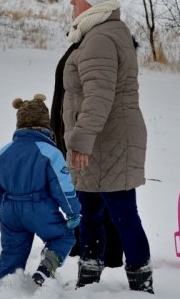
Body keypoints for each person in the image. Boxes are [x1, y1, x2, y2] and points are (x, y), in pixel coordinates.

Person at [61, 0, 153, 293]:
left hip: (108, 140)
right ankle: (89, 278)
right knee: (90, 213)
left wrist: (81, 140)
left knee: (123, 214)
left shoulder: (100, 38)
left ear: (94, 1)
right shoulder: (102, 32)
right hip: (101, 139)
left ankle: (141, 283)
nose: (72, 1)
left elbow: (98, 96)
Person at [0, 94, 81, 286]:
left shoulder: (4, 151)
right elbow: (62, 186)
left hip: (10, 210)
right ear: (46, 124)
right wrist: (73, 212)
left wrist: (2, 208)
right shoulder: (49, 151)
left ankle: (4, 286)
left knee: (12, 251)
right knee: (63, 236)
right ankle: (44, 271)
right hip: (39, 208)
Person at [51, 41, 125, 270]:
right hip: (73, 135)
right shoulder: (79, 49)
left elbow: (97, 100)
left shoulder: (99, 50)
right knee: (82, 193)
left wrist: (82, 136)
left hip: (91, 138)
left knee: (104, 195)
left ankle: (109, 254)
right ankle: (84, 247)